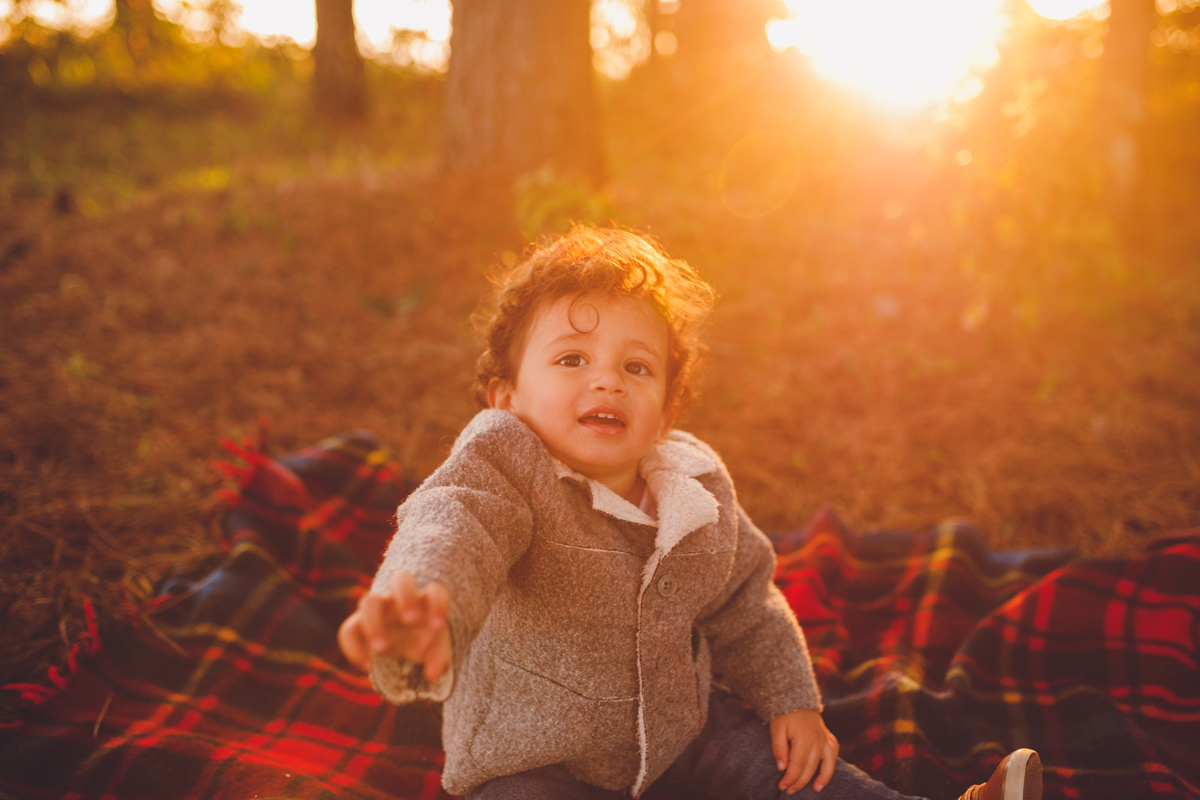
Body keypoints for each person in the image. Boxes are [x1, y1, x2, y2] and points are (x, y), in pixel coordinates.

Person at [337, 227, 1042, 800]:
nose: (607, 378)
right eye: (573, 358)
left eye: (636, 367)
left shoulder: (691, 487)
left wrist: (791, 700)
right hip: (536, 760)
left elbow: (748, 601)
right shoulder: (505, 460)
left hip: (680, 736)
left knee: (792, 774)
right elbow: (454, 522)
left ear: (666, 411)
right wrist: (425, 599)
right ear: (506, 398)